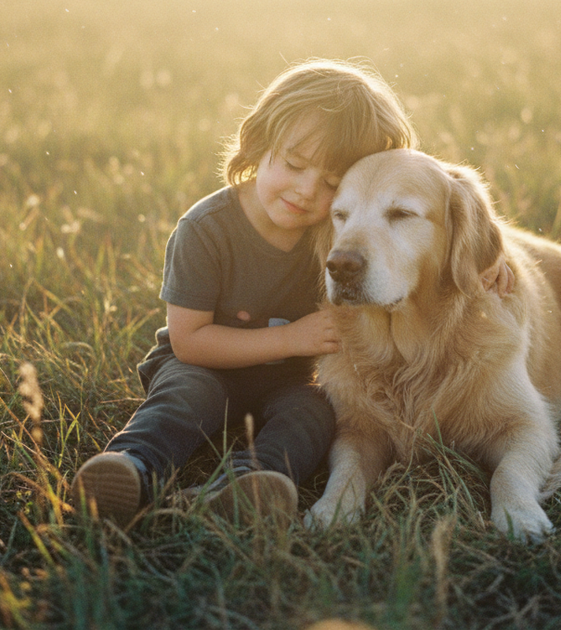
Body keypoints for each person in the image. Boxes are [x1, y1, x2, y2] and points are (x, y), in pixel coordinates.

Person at [71, 58, 418, 526]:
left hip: (289, 384)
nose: (306, 191)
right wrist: (289, 339)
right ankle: (131, 467)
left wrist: (491, 264)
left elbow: (422, 210)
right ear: (259, 142)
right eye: (295, 165)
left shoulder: (335, 236)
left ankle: (246, 486)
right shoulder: (205, 230)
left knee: (315, 416)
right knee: (185, 398)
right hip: (201, 365)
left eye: (333, 184)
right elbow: (189, 340)